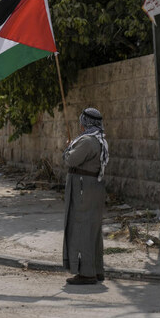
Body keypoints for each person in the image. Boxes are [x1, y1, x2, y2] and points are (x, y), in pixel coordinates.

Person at [62, 107, 109, 285]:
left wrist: (67, 149)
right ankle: (96, 270)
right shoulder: (99, 139)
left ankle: (86, 273)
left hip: (83, 189)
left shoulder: (88, 141)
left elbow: (70, 160)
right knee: (92, 229)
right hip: (92, 188)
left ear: (85, 123)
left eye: (82, 121)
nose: (80, 125)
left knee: (81, 228)